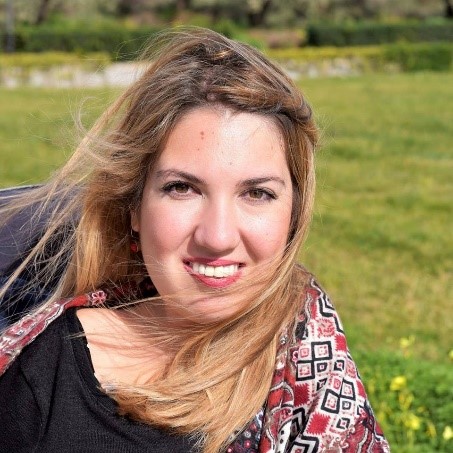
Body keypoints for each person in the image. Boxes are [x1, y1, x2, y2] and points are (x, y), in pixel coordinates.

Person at [0, 28, 389, 453]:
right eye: (182, 188)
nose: (217, 237)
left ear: (294, 211)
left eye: (257, 193)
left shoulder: (309, 354)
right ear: (133, 205)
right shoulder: (40, 376)